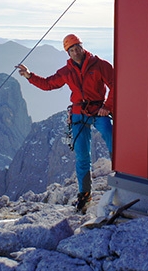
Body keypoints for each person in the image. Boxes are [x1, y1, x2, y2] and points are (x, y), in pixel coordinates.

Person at [16, 34, 114, 213]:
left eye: (77, 47)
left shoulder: (99, 65)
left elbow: (115, 84)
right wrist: (29, 76)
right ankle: (84, 195)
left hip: (98, 109)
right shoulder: (66, 71)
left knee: (111, 135)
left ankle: (122, 175)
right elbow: (48, 84)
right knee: (82, 155)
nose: (76, 52)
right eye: (72, 50)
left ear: (82, 47)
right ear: (68, 53)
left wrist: (107, 107)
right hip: (78, 113)